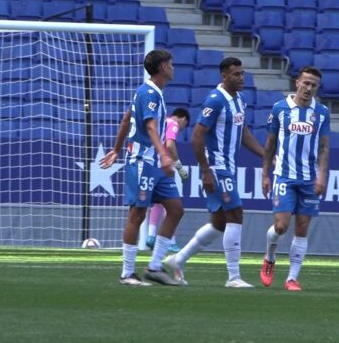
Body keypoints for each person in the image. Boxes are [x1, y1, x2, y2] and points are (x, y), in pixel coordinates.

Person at [164, 57, 265, 288]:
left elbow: (243, 132)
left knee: (219, 222)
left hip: (227, 166)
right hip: (217, 167)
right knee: (236, 215)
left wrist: (265, 155)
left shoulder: (239, 100)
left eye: (242, 73)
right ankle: (233, 277)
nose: (241, 78)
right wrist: (205, 171)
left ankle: (177, 260)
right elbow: (198, 135)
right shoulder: (215, 100)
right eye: (236, 74)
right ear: (224, 76)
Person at [100, 49, 184, 286]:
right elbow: (149, 127)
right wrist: (163, 154)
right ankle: (127, 273)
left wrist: (116, 149)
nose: (173, 67)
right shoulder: (149, 93)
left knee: (176, 209)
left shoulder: (150, 92)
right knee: (137, 213)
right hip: (143, 162)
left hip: (155, 163)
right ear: (163, 68)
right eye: (171, 64)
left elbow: (127, 119)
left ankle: (155, 267)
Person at [260, 66, 330, 291]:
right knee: (281, 226)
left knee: (302, 227)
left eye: (314, 85)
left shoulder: (321, 113)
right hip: (284, 176)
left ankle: (292, 278)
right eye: (306, 83)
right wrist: (264, 175)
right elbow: (270, 144)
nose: (309, 88)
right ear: (297, 82)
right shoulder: (280, 109)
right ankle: (270, 257)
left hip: (309, 179)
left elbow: (324, 147)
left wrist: (322, 176)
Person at [146, 107, 190, 253]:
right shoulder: (174, 123)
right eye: (185, 126)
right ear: (183, 119)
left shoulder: (163, 122)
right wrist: (179, 166)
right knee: (171, 204)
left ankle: (151, 236)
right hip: (164, 165)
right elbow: (170, 145)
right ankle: (170, 242)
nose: (181, 128)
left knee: (158, 202)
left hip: (152, 164)